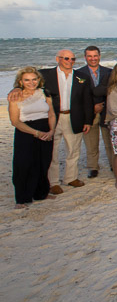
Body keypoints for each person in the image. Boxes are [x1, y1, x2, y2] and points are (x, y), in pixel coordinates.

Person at [41, 50, 93, 193]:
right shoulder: (44, 75)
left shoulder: (81, 77)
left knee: (73, 150)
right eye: (66, 58)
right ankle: (53, 182)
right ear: (57, 58)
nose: (70, 61)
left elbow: (87, 101)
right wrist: (15, 90)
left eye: (72, 59)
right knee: (53, 151)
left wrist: (88, 121)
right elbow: (27, 83)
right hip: (53, 118)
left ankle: (71, 178)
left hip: (74, 117)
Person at [9, 67, 55, 208]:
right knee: (23, 165)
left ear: (39, 80)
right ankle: (22, 199)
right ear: (21, 81)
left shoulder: (44, 93)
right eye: (27, 80)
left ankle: (41, 193)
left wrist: (52, 131)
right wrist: (35, 133)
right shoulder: (15, 97)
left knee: (43, 163)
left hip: (45, 130)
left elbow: (51, 114)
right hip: (26, 133)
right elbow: (15, 121)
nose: (31, 82)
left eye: (34, 79)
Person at [77, 45, 113, 178]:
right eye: (90, 56)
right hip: (89, 113)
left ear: (99, 56)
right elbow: (77, 95)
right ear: (85, 57)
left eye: (95, 55)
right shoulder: (79, 74)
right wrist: (92, 107)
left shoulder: (109, 72)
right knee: (91, 142)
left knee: (109, 141)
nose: (93, 58)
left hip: (106, 112)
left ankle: (113, 164)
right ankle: (93, 167)